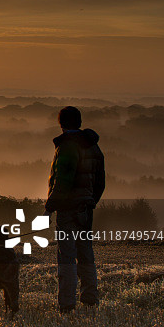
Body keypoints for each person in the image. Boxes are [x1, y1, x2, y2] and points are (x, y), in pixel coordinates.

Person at [45, 106, 105, 313]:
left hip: (68, 209)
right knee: (86, 253)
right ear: (79, 122)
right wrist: (90, 201)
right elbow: (100, 182)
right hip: (86, 208)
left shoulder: (68, 147)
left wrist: (49, 207)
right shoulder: (94, 147)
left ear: (61, 123)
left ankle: (67, 304)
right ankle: (90, 299)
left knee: (67, 257)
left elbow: (63, 181)